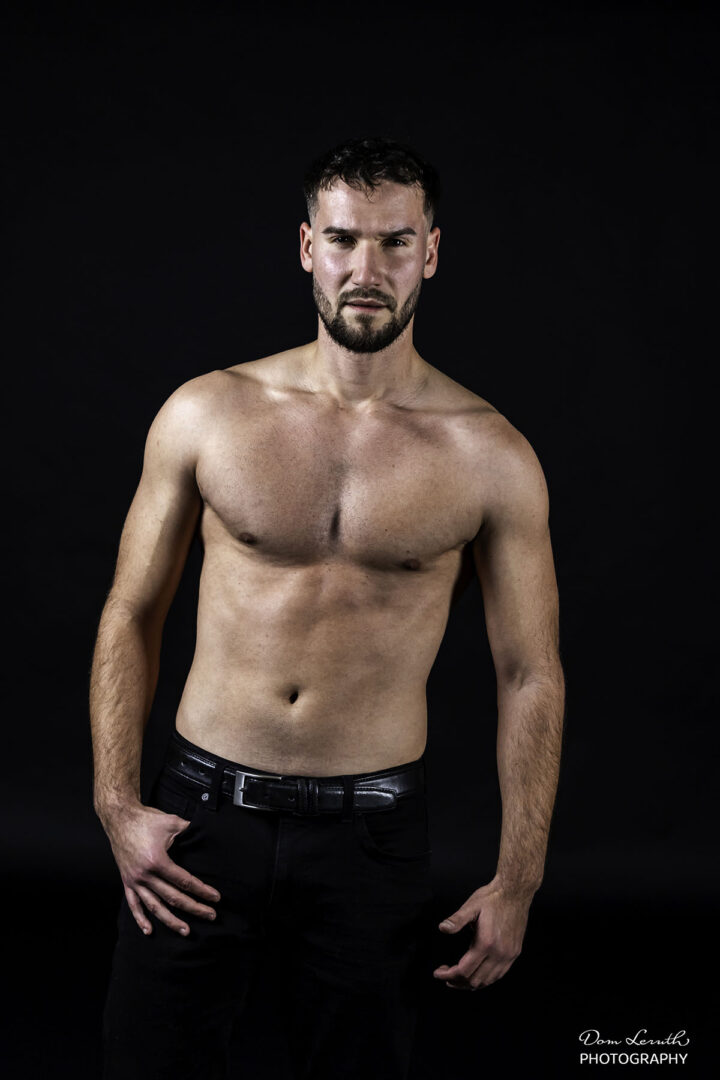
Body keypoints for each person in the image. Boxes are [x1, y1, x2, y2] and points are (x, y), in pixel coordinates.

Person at [91, 135, 565, 1080]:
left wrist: (520, 879)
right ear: (308, 246)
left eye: (396, 242)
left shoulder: (491, 456)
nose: (367, 269)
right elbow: (129, 612)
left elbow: (530, 673)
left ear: (431, 252)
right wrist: (116, 804)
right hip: (200, 824)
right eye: (344, 239)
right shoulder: (208, 412)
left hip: (370, 841)